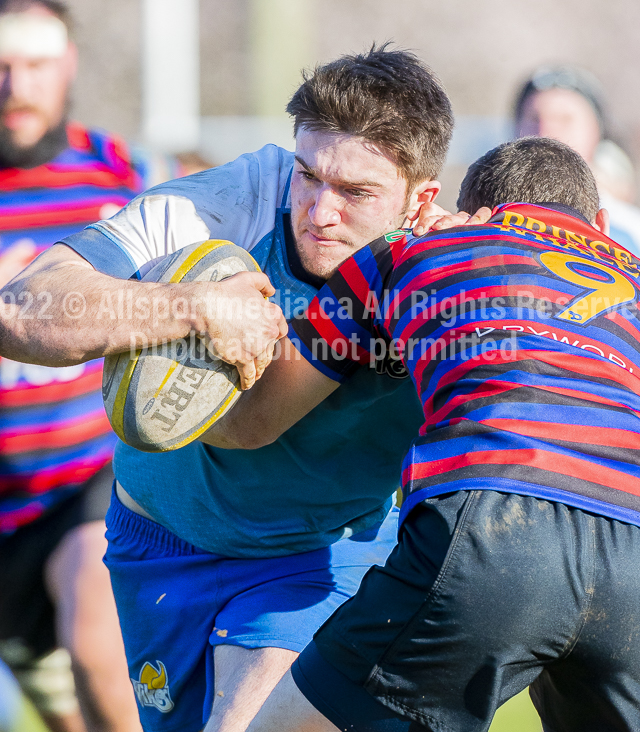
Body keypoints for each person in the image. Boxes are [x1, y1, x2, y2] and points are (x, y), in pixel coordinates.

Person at [0, 45, 483, 732]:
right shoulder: (228, 204)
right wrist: (191, 309)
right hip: (159, 544)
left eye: (355, 193)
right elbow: (21, 308)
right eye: (310, 176)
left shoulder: (443, 267)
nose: (320, 210)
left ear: (421, 198)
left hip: (320, 552)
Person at [205, 136, 640, 732]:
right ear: (601, 225)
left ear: (474, 210)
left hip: (498, 519)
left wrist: (186, 358)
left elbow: (252, 421)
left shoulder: (418, 250)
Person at [0, 0, 158, 732]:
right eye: (0, 63)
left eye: (35, 63)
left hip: (83, 482)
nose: (16, 84)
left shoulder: (119, 180)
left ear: (68, 65)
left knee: (98, 648)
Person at [514, 64, 640, 254]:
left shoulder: (632, 232)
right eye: (534, 118)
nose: (545, 132)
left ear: (597, 131)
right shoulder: (482, 217)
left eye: (564, 119)